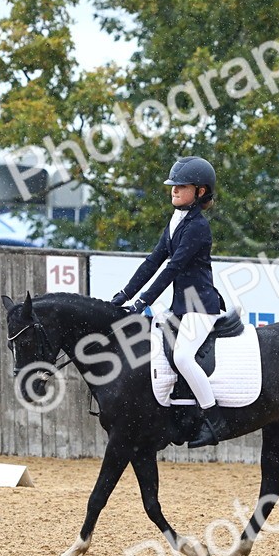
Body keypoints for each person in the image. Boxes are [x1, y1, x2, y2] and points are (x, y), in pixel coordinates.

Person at [111, 156, 229, 448]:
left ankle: (215, 420)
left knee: (183, 357)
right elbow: (153, 261)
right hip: (180, 307)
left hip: (201, 306)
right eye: (173, 186)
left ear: (200, 192)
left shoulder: (198, 226)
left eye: (181, 186)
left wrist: (143, 302)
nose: (174, 190)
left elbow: (172, 268)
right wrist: (125, 294)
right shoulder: (177, 220)